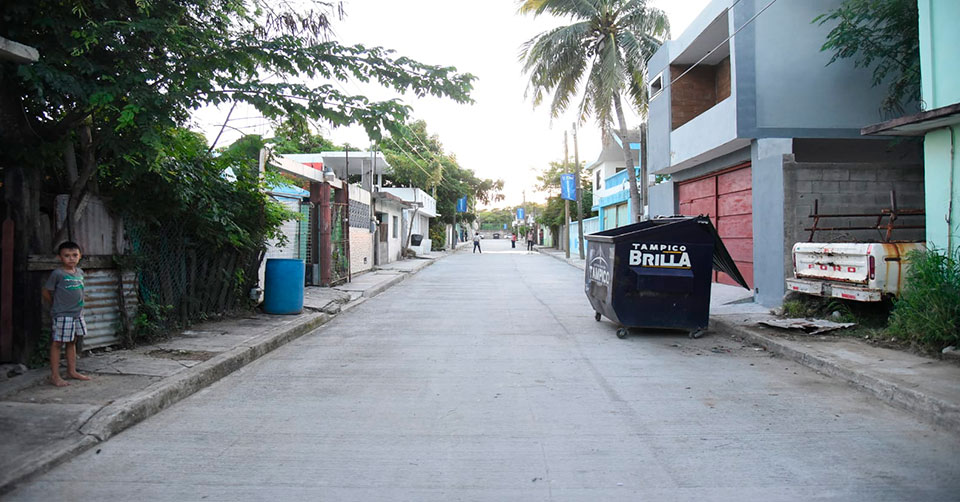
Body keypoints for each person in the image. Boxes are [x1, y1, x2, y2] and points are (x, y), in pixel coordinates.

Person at [42, 241, 91, 387]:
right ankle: (55, 376)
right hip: (63, 314)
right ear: (60, 257)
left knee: (72, 341)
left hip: (77, 313)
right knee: (57, 343)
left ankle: (72, 371)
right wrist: (55, 305)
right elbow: (46, 291)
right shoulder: (58, 274)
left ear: (80, 256)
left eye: (74, 255)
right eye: (67, 255)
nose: (71, 258)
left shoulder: (80, 272)